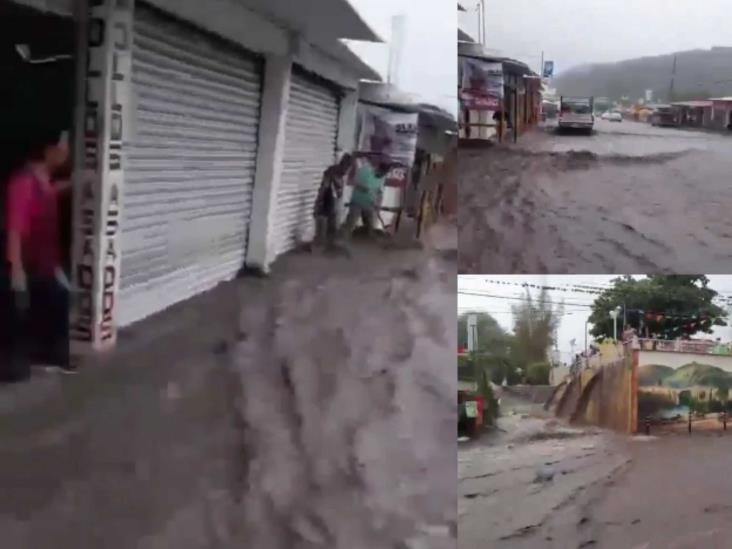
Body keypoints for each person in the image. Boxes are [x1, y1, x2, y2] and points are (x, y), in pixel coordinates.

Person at [5, 129, 75, 375]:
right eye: (64, 146)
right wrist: (16, 270)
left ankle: (50, 356)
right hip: (30, 264)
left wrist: (78, 181)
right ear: (49, 151)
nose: (67, 152)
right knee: (52, 302)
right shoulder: (23, 183)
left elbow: (51, 192)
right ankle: (47, 357)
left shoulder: (43, 180)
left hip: (46, 263)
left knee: (56, 302)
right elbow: (15, 229)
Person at [341, 156, 391, 239]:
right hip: (357, 202)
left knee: (370, 227)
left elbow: (379, 192)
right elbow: (353, 182)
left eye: (383, 174)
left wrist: (378, 204)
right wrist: (363, 188)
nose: (381, 175)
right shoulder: (365, 171)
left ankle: (367, 245)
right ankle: (343, 242)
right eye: (380, 172)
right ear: (377, 168)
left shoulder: (382, 178)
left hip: (369, 205)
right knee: (350, 225)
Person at [313, 153, 353, 249]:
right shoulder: (332, 172)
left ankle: (327, 246)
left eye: (348, 169)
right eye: (346, 168)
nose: (347, 171)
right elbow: (324, 187)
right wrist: (318, 202)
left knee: (333, 227)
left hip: (334, 202)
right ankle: (321, 246)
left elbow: (339, 190)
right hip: (327, 201)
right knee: (324, 229)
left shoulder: (340, 173)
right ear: (342, 164)